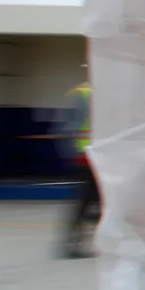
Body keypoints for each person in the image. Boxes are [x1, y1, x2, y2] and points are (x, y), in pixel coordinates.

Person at [60, 79, 100, 259]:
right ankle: (72, 243)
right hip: (87, 155)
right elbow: (73, 126)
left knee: (92, 200)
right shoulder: (88, 93)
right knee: (87, 200)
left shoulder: (83, 91)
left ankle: (75, 242)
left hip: (89, 154)